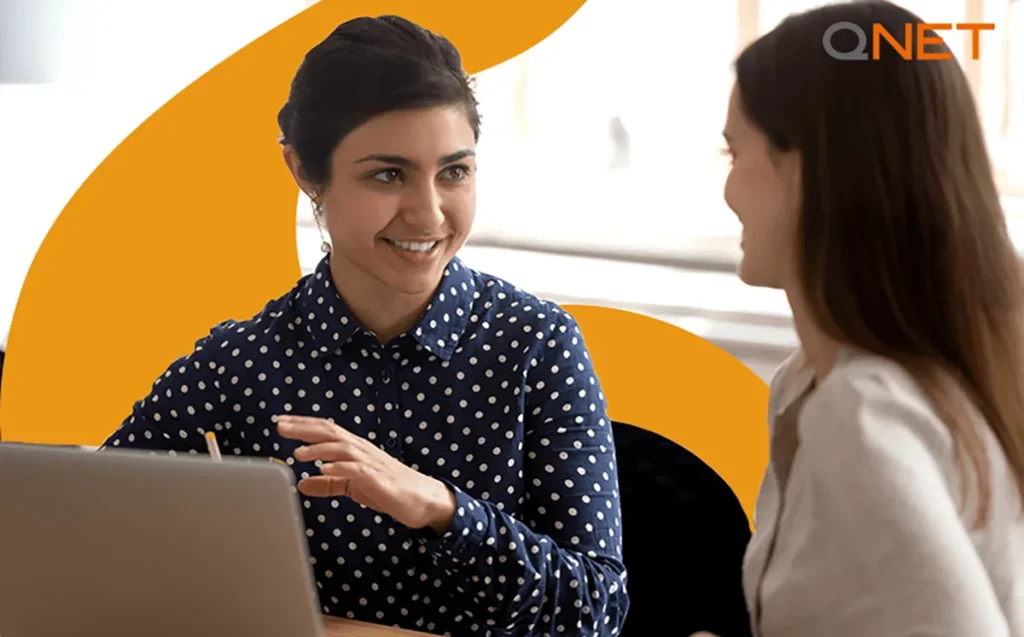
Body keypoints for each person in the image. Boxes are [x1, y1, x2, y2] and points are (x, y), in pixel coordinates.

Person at [99, 15, 629, 637]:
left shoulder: (537, 344)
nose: (428, 214)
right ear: (305, 172)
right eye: (387, 174)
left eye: (454, 172)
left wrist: (440, 508)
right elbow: (84, 533)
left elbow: (596, 610)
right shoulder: (236, 366)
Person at [699, 1, 1024, 636]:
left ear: (808, 170)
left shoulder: (863, 414)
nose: (728, 190)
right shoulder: (826, 382)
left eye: (733, 153)